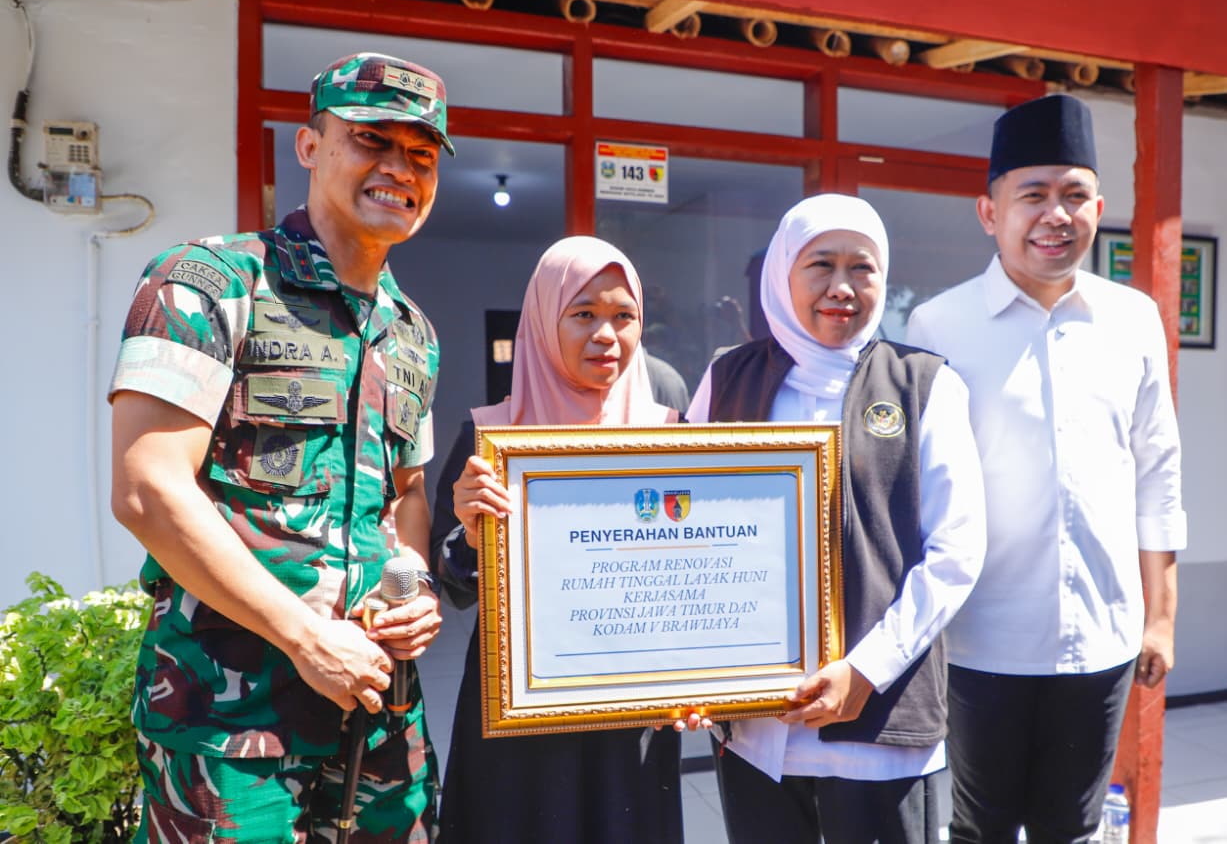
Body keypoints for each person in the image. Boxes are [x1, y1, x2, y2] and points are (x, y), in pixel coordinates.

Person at [109, 52, 454, 839]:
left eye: (421, 153)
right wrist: (307, 637)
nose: (399, 168)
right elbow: (147, 487)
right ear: (309, 145)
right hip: (229, 726)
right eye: (371, 139)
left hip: (377, 717)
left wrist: (417, 591)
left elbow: (404, 496)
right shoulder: (208, 281)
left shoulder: (413, 335)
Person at [905, 93, 1185, 843]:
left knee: (1073, 826)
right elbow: (918, 487)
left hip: (1102, 631)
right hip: (979, 638)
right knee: (982, 825)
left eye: (1074, 195)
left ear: (1098, 209)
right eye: (1032, 195)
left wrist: (1161, 616)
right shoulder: (938, 326)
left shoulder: (1132, 318)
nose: (1055, 215)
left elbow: (1158, 467)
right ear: (989, 212)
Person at [685, 193, 987, 844]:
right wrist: (687, 670)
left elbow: (955, 550)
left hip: (879, 726)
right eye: (820, 264)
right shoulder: (726, 379)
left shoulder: (923, 385)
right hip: (756, 730)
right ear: (782, 272)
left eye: (863, 267)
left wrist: (866, 669)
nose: (842, 286)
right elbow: (687, 533)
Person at [428, 236, 683, 844]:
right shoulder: (491, 438)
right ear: (544, 321)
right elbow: (452, 584)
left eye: (624, 316)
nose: (606, 335)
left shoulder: (669, 429)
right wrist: (470, 535)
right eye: (583, 313)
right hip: (519, 706)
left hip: (631, 709)